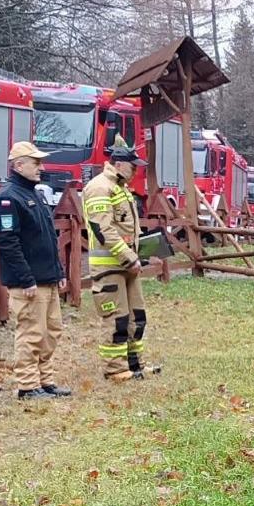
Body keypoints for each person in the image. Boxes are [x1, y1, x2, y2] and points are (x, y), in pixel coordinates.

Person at [0, 142, 69, 399]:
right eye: (36, 163)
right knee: (31, 333)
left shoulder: (35, 194)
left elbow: (47, 238)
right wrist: (25, 278)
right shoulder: (8, 199)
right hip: (28, 283)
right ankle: (27, 386)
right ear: (18, 165)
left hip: (46, 279)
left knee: (51, 330)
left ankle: (45, 381)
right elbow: (7, 243)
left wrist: (58, 272)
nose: (42, 167)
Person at [83, 145, 153, 382]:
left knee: (137, 316)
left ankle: (134, 365)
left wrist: (143, 249)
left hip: (128, 265)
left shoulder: (121, 189)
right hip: (110, 266)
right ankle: (115, 369)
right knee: (117, 318)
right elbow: (103, 229)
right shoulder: (99, 188)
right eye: (133, 167)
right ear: (119, 164)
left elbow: (127, 228)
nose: (136, 172)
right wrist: (128, 256)